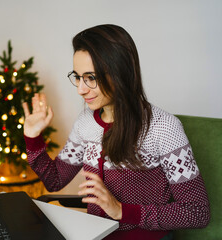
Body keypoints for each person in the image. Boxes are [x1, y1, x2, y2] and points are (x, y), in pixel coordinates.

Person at [22, 24, 210, 240]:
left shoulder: (164, 128)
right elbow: (54, 180)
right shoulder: (85, 123)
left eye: (91, 78)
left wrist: (122, 210)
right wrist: (32, 137)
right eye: (78, 77)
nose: (81, 89)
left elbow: (197, 211)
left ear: (120, 73)